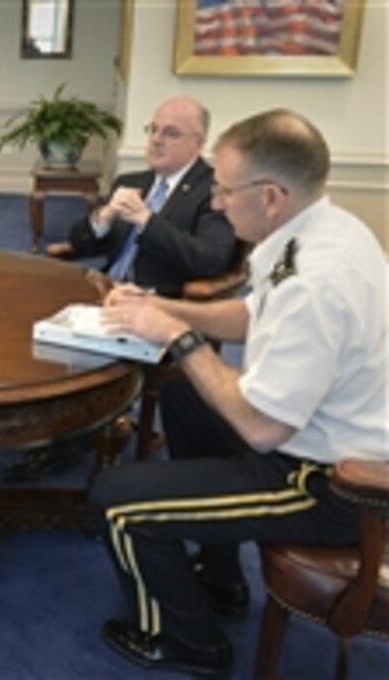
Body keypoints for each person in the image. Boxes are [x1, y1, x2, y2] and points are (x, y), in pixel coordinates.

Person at [89, 109, 387, 675]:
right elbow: (251, 314)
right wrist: (159, 306)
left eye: (225, 191)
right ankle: (223, 582)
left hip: (329, 484)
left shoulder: (315, 284)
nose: (218, 203)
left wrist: (178, 336)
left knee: (117, 497)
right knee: (182, 400)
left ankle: (186, 641)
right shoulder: (325, 229)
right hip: (315, 432)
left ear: (271, 195)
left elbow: (260, 427)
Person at [65, 97, 237, 298]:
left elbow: (209, 261)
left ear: (198, 144)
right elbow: (80, 242)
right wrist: (105, 215)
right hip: (106, 288)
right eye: (153, 129)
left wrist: (147, 220)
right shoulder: (129, 182)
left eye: (171, 133)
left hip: (157, 301)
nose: (156, 139)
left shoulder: (214, 191)